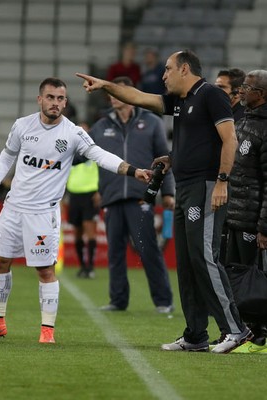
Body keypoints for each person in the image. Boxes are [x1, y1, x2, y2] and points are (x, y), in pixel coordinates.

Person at [76, 49, 253, 354]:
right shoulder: (179, 101)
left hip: (207, 185)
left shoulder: (211, 95)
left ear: (185, 69)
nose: (163, 75)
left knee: (204, 257)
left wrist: (222, 181)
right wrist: (106, 85)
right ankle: (196, 334)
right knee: (185, 263)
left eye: (168, 69)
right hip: (186, 186)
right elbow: (138, 96)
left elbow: (229, 140)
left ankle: (235, 329)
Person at [0, 77, 150, 344]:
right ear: (40, 99)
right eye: (51, 97)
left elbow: (100, 155)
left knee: (44, 270)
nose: (56, 103)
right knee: (0, 262)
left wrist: (133, 171)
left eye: (60, 98)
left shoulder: (73, 133)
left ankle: (47, 331)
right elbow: (8, 155)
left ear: (65, 102)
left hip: (43, 213)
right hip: (13, 208)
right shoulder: (22, 126)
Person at [89, 76, 175, 313]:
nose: (113, 97)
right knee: (115, 252)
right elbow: (83, 153)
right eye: (111, 93)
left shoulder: (151, 122)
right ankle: (118, 300)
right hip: (112, 196)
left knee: (148, 249)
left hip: (142, 197)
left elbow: (164, 158)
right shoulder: (101, 125)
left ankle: (163, 301)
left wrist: (168, 192)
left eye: (118, 92)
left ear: (129, 94)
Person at [225, 70, 267, 349]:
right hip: (234, 215)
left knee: (256, 281)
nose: (241, 90)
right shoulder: (243, 121)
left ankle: (260, 335)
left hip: (253, 220)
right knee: (237, 278)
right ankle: (243, 332)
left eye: (247, 87)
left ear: (261, 94)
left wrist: (264, 226)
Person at [214, 68, 246, 267]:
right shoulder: (216, 113)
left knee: (238, 261)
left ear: (238, 92)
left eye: (221, 88)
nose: (215, 92)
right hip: (220, 192)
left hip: (239, 198)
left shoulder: (247, 119)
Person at [66, 122, 100, 279]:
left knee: (89, 230)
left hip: (89, 195)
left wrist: (100, 191)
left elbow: (104, 171)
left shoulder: (94, 151)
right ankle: (82, 266)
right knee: (77, 233)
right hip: (74, 195)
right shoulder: (68, 152)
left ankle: (90, 267)